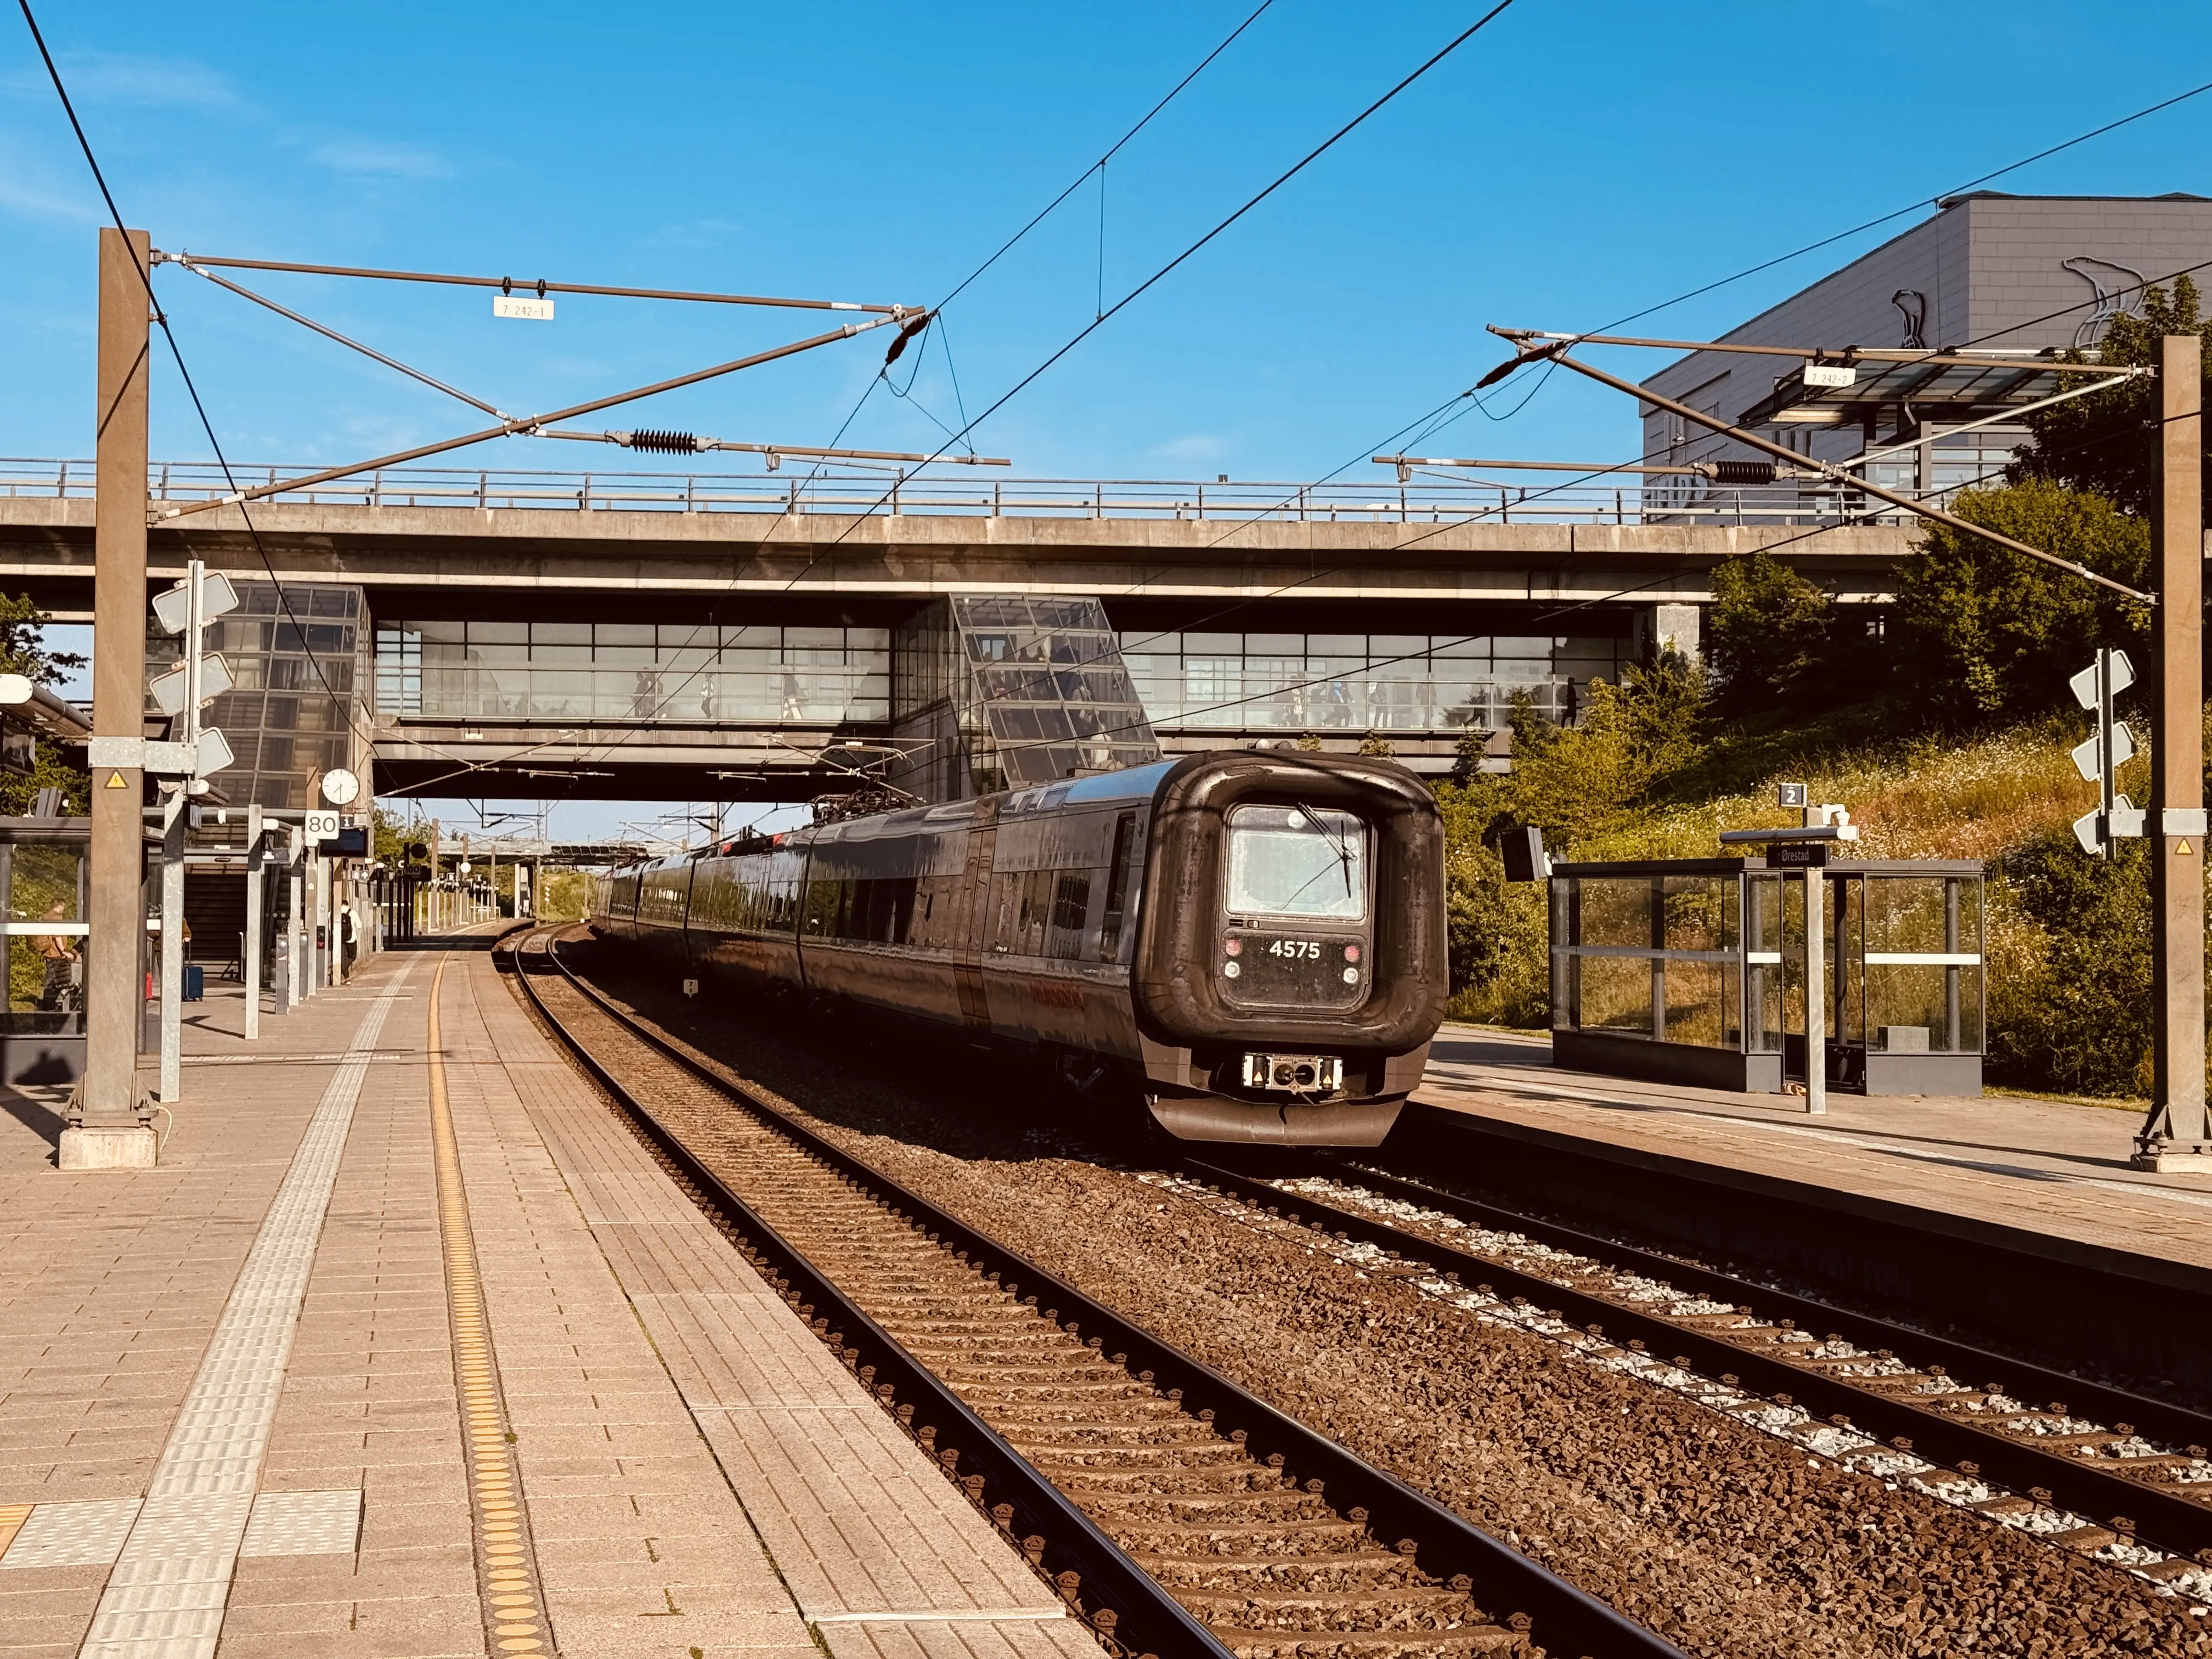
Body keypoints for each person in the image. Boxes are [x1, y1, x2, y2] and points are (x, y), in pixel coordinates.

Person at [34, 902, 78, 1013]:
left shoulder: (48, 916)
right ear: (59, 906)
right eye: (63, 907)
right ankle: (49, 1006)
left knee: (53, 978)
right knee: (53, 979)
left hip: (51, 953)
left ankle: (51, 1004)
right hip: (55, 954)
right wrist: (64, 951)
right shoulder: (55, 917)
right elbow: (57, 936)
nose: (64, 909)